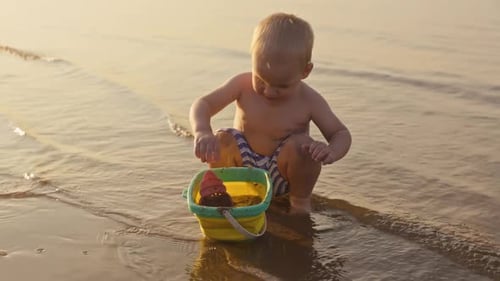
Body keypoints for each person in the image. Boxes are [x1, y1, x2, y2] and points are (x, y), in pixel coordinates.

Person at [189, 12, 351, 213]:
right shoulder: (242, 84)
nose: (268, 91)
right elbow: (203, 103)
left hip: (282, 172)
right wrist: (202, 131)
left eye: (281, 86)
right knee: (222, 139)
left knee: (304, 148)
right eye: (261, 80)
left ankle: (300, 203)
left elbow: (340, 134)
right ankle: (226, 193)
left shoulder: (309, 100)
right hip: (242, 168)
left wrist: (332, 151)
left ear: (305, 71)